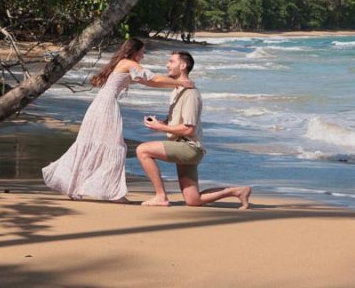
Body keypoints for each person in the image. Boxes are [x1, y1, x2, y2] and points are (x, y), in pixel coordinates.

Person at [42, 38, 193, 202]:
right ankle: (114, 194)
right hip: (106, 106)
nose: (142, 56)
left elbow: (150, 82)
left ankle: (81, 187)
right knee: (115, 147)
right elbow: (154, 78)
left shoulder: (123, 63)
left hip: (101, 105)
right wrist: (181, 82)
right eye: (142, 52)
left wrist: (177, 85)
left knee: (98, 144)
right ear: (134, 52)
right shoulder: (128, 63)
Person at [136, 50, 252, 209]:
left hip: (188, 147)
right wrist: (160, 122)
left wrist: (161, 127)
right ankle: (238, 191)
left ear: (182, 66)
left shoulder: (190, 93)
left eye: (171, 62)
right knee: (193, 200)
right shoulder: (177, 90)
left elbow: (189, 129)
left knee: (143, 150)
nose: (167, 65)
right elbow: (177, 121)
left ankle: (161, 197)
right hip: (181, 146)